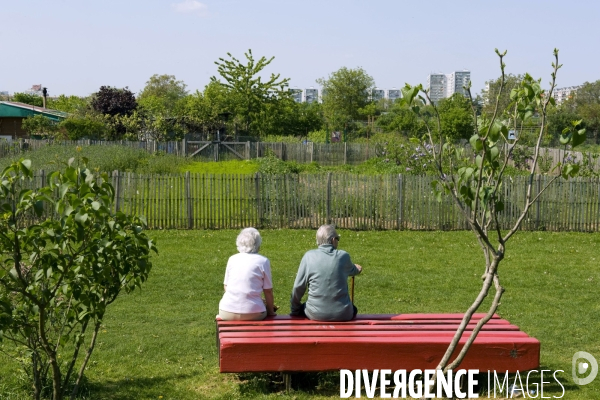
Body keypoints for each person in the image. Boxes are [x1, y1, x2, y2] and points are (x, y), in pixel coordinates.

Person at [290, 225, 362, 321]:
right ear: (333, 240)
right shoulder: (343, 257)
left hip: (315, 313)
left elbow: (298, 287)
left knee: (304, 307)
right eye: (338, 239)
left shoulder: (308, 257)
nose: (338, 241)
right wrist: (358, 268)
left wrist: (295, 310)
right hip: (343, 314)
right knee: (354, 309)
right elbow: (354, 270)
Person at [218, 228, 277, 321]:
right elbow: (268, 291)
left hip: (227, 311)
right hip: (254, 313)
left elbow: (226, 286)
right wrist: (271, 311)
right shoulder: (263, 261)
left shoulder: (232, 259)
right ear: (257, 244)